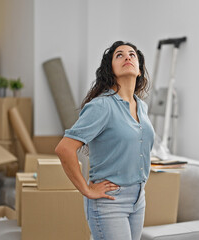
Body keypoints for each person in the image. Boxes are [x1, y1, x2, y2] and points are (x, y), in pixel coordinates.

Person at [55, 40, 154, 240]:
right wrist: (86, 189)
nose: (127, 57)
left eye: (132, 55)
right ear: (110, 69)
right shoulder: (102, 106)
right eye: (120, 55)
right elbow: (64, 149)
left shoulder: (141, 106)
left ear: (140, 70)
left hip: (138, 198)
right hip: (110, 201)